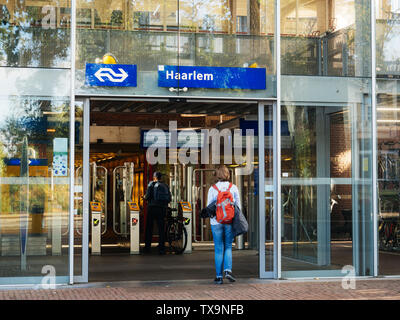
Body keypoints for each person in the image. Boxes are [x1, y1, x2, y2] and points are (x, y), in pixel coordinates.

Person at [206, 165, 241, 284]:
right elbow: (238, 207)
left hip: (216, 222)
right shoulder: (233, 188)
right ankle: (227, 270)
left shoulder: (212, 189)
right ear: (227, 174)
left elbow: (209, 208)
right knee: (228, 247)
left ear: (217, 174)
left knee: (218, 248)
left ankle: (219, 277)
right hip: (229, 221)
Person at [143, 171, 171, 255]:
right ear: (161, 178)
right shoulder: (165, 185)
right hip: (162, 209)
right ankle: (161, 249)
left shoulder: (151, 184)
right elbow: (169, 197)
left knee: (149, 228)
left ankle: (147, 247)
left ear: (154, 177)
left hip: (152, 208)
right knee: (161, 229)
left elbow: (147, 196)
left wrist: (144, 197)